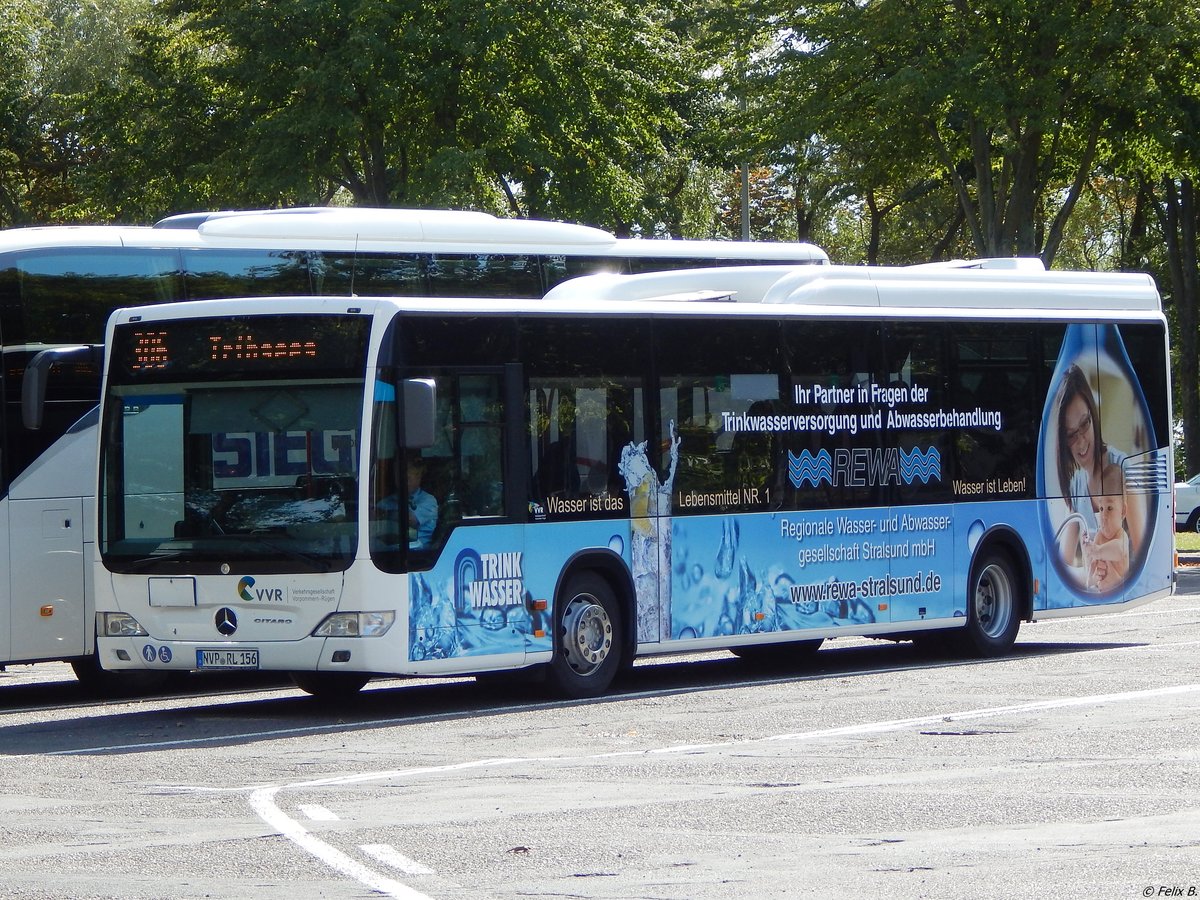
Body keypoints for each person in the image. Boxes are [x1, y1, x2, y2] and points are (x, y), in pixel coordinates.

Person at [1053, 364, 1142, 572]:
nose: (1081, 442)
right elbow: (1064, 560)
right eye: (1071, 435)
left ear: (1093, 417)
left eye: (1084, 424)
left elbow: (1142, 551)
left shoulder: (1122, 467)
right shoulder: (1075, 483)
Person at [406, 458, 438, 549]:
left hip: (421, 553)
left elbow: (410, 520)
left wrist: (384, 514)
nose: (403, 481)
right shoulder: (388, 501)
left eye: (408, 477)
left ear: (419, 477)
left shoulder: (429, 500)